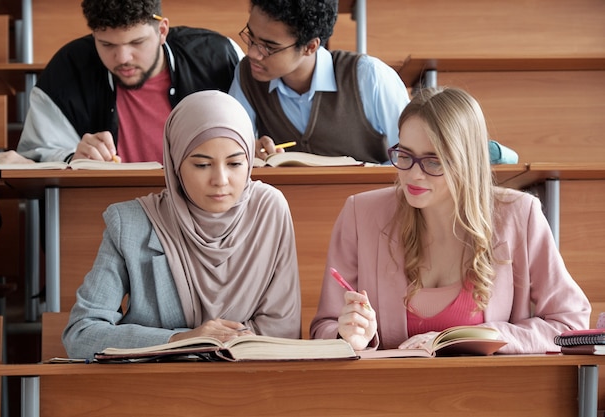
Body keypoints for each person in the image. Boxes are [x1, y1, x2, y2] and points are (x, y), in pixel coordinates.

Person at [309, 86, 590, 354]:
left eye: (434, 161)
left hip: (490, 395)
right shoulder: (361, 213)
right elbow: (324, 326)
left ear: (468, 161)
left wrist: (483, 336)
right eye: (404, 155)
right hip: (386, 396)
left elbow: (569, 323)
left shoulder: (520, 214)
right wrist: (349, 335)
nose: (413, 174)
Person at [62, 90, 301, 359]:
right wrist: (183, 340)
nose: (220, 180)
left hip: (250, 385)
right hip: (155, 389)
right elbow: (81, 335)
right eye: (201, 165)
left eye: (235, 163)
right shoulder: (130, 223)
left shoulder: (268, 209)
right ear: (175, 163)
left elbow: (282, 332)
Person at [17, 0, 242, 165]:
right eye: (107, 45)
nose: (123, 58)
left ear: (162, 30)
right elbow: (33, 154)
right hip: (105, 209)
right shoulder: (68, 68)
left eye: (137, 42)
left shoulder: (219, 56)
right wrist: (72, 157)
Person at [228, 0, 410, 164]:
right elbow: (228, 148)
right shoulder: (247, 74)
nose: (252, 53)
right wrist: (248, 150)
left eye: (269, 47)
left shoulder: (368, 76)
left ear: (310, 47)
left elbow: (410, 156)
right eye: (251, 38)